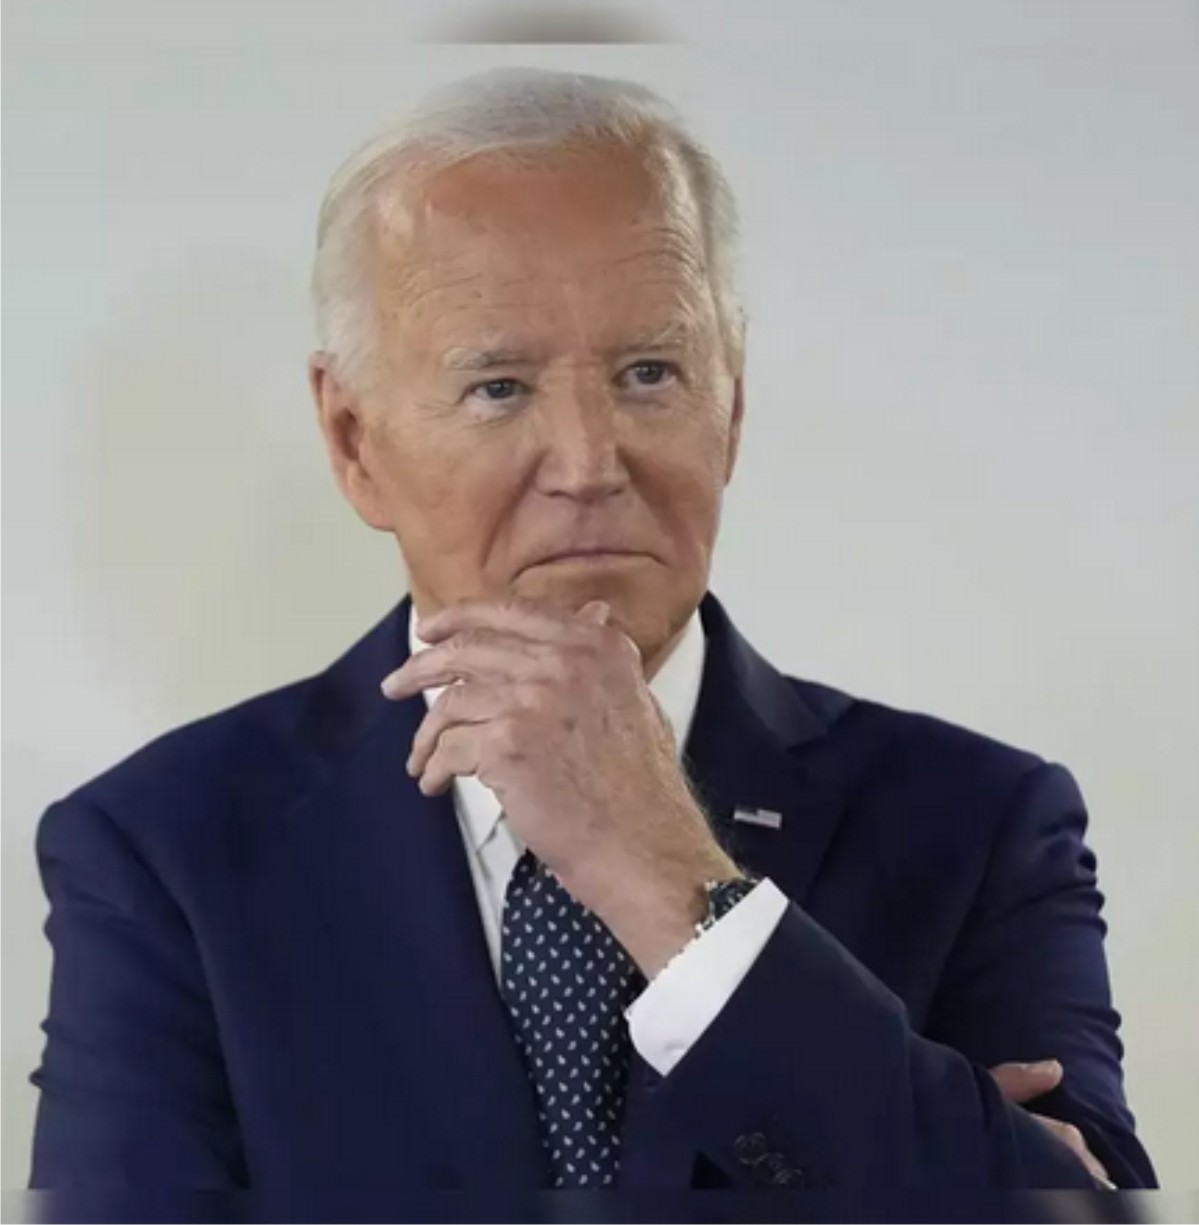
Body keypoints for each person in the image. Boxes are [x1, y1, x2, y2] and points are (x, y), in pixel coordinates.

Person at [30, 67, 1155, 1198]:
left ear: (731, 405)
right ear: (353, 439)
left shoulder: (977, 825)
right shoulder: (166, 854)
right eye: (498, 387)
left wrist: (674, 884)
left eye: (648, 372)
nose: (585, 464)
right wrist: (919, 1148)